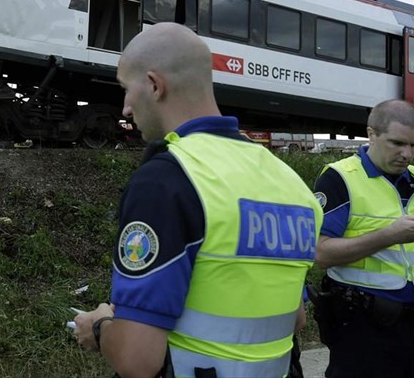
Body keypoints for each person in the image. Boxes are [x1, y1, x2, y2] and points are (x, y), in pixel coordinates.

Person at [73, 23, 323, 378]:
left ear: (155, 85)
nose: (126, 108)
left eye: (127, 90)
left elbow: (137, 359)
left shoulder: (167, 179)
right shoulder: (288, 182)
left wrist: (98, 328)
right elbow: (295, 318)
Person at [312, 99, 414, 378]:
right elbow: (320, 253)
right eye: (397, 143)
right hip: (363, 328)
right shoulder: (340, 178)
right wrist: (389, 236)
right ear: (371, 134)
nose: (407, 153)